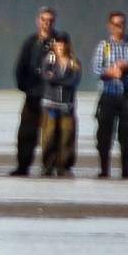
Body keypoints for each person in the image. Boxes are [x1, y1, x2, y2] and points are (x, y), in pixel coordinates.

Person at [91, 11, 128, 178]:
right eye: (116, 24)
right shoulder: (104, 45)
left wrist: (127, 67)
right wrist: (112, 72)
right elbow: (96, 69)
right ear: (110, 26)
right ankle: (104, 169)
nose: (119, 28)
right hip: (109, 93)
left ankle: (126, 169)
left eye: (122, 24)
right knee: (104, 133)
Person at [10, 6, 58, 176]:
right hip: (32, 95)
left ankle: (49, 167)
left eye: (50, 20)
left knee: (51, 135)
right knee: (26, 133)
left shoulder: (59, 42)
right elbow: (20, 67)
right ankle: (22, 166)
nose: (47, 24)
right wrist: (25, 86)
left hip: (51, 96)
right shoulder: (30, 42)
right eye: (44, 20)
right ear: (38, 21)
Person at [38, 32, 81, 176]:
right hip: (50, 104)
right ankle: (47, 166)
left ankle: (64, 167)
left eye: (63, 43)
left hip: (67, 106)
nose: (60, 46)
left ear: (68, 45)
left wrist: (56, 78)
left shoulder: (74, 62)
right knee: (49, 137)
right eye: (57, 43)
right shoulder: (49, 59)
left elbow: (73, 82)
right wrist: (61, 80)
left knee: (67, 137)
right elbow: (45, 77)